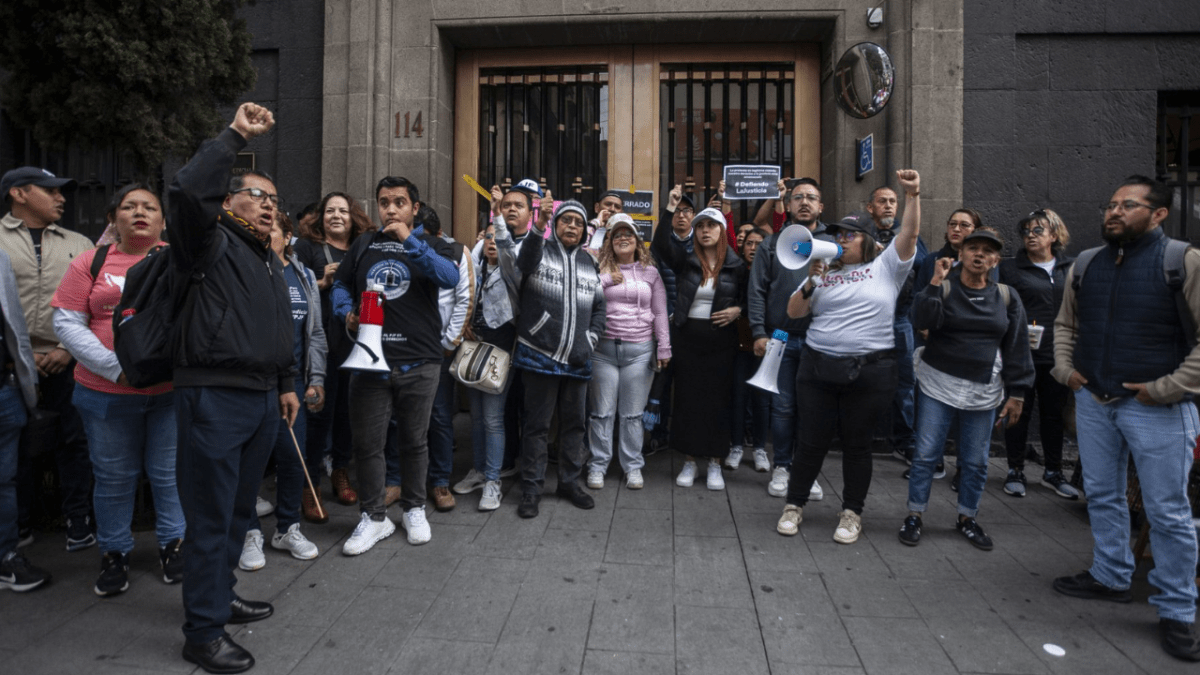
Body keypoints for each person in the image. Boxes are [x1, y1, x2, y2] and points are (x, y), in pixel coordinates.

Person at [169, 102, 299, 673]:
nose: (270, 205)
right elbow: (187, 192)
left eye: (275, 199)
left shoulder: (265, 256)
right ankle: (202, 632)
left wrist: (287, 383)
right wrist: (234, 135)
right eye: (257, 195)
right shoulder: (208, 239)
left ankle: (220, 599)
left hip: (261, 397)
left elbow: (278, 325)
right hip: (214, 396)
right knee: (211, 516)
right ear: (227, 201)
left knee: (239, 511)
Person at [1051, 175, 1200, 662]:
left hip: (1158, 410)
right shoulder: (1089, 263)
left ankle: (1177, 609)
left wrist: (1166, 389)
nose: (1113, 213)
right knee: (1103, 494)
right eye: (1111, 204)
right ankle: (1111, 576)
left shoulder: (1183, 261)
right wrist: (1066, 370)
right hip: (1096, 400)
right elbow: (1066, 323)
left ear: (1157, 214)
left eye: (1128, 206)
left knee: (1168, 512)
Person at [51, 184, 184, 597]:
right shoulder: (90, 263)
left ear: (163, 220)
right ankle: (114, 552)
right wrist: (115, 369)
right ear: (114, 218)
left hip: (169, 393)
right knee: (112, 477)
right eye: (129, 206)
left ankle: (173, 545)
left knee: (168, 474)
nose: (139, 213)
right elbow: (67, 322)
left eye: (150, 207)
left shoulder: (179, 262)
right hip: (105, 393)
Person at [776, 170, 922, 544]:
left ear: (868, 240)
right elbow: (793, 314)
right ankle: (794, 505)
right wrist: (810, 281)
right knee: (810, 441)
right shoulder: (824, 274)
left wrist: (913, 195)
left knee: (857, 445)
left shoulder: (886, 267)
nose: (841, 239)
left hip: (869, 373)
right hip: (818, 368)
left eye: (850, 234)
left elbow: (909, 236)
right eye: (838, 233)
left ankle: (852, 512)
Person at [331, 176, 459, 551]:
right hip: (370, 361)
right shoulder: (364, 243)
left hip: (419, 361)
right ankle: (374, 518)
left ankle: (414, 507)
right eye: (384, 202)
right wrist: (345, 312)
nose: (390, 209)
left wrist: (410, 241)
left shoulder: (435, 244)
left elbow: (448, 276)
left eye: (399, 202)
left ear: (414, 208)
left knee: (414, 442)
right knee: (369, 445)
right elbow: (340, 284)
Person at [899, 229, 1034, 550]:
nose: (979, 255)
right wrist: (934, 281)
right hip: (938, 383)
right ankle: (915, 514)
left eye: (987, 251)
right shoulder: (944, 288)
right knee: (926, 455)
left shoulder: (1006, 296)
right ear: (960, 254)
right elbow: (921, 317)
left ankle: (967, 518)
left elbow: (1017, 346)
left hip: (983, 388)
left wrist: (1018, 393)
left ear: (995, 260)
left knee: (975, 461)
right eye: (972, 248)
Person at [494, 190, 606, 518]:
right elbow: (523, 264)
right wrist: (539, 226)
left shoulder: (589, 261)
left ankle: (569, 481)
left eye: (578, 223)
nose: (571, 226)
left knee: (574, 426)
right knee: (536, 427)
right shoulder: (538, 248)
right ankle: (531, 488)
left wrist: (591, 338)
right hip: (538, 355)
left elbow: (599, 306)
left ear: (585, 230)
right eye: (566, 220)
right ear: (556, 224)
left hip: (578, 358)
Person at [0, 166, 94, 552]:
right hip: (11, 367)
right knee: (16, 447)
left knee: (75, 442)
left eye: (63, 192)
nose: (61, 198)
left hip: (68, 360)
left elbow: (94, 304)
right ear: (19, 194)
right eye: (50, 190)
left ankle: (78, 520)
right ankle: (21, 524)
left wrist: (67, 349)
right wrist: (18, 356)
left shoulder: (79, 242)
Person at [238, 213, 326, 572]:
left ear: (287, 236)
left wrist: (316, 377)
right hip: (253, 386)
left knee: (293, 459)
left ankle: (288, 527)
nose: (262, 233)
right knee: (250, 464)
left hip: (295, 385)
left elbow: (316, 332)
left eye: (271, 229)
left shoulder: (303, 275)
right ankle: (248, 532)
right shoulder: (243, 270)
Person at [652, 187, 743, 491]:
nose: (704, 231)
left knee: (718, 400)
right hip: (687, 338)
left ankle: (715, 462)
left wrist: (737, 310)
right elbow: (661, 246)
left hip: (721, 342)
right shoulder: (686, 260)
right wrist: (669, 208)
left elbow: (752, 298)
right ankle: (690, 460)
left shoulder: (736, 265)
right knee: (689, 399)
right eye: (700, 226)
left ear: (722, 230)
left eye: (711, 226)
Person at [747, 177, 831, 501]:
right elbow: (756, 291)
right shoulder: (772, 243)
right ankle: (782, 466)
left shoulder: (834, 242)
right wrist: (758, 332)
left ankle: (806, 471)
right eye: (798, 197)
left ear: (821, 206)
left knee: (812, 410)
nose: (805, 202)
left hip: (819, 338)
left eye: (812, 197)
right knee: (781, 408)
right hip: (779, 335)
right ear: (790, 204)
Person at [294, 192, 374, 519]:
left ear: (354, 217)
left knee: (347, 415)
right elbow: (292, 289)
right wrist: (323, 281)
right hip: (319, 345)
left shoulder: (363, 248)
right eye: (330, 210)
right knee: (317, 415)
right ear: (320, 216)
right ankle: (309, 484)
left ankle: (340, 471)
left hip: (352, 343)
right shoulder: (305, 248)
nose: (336, 216)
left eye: (343, 210)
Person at [997, 209, 1079, 500]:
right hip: (1021, 354)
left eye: (1038, 231)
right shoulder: (1011, 269)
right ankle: (1015, 469)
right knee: (1018, 411)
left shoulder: (1071, 269)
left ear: (1054, 236)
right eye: (1027, 232)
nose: (1030, 236)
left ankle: (1053, 472)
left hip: (1058, 356)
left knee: (1053, 415)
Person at [586, 214, 670, 490]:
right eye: (618, 235)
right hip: (603, 350)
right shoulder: (598, 267)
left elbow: (659, 312)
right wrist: (608, 279)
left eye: (629, 234)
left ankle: (633, 466)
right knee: (601, 412)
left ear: (637, 241)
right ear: (610, 241)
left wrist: (664, 346)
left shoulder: (651, 272)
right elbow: (586, 295)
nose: (624, 238)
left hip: (640, 351)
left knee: (633, 414)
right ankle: (597, 465)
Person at [454, 222, 518, 510]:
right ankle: (479, 471)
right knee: (477, 417)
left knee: (493, 419)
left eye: (497, 237)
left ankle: (493, 480)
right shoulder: (475, 269)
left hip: (500, 351)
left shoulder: (511, 271)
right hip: (473, 349)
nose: (492, 241)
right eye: (487, 236)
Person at [867, 185, 928, 464]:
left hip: (900, 320)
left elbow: (924, 268)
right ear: (871, 208)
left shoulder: (908, 237)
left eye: (893, 201)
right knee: (863, 380)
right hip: (866, 320)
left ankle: (906, 441)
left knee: (905, 383)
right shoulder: (860, 236)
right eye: (883, 201)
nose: (889, 206)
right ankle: (862, 438)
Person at [0, 247, 48, 592]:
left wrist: (25, 377)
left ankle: (5, 557)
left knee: (5, 479)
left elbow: (12, 319)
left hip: (5, 387)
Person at [422, 206, 474, 513]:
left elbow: (464, 297)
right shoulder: (385, 248)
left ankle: (439, 480)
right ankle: (395, 478)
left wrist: (448, 343)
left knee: (440, 416)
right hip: (400, 349)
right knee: (396, 418)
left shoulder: (455, 252)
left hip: (437, 350)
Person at [730, 228, 770, 473]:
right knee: (738, 396)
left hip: (765, 344)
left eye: (759, 243)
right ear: (742, 247)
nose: (754, 248)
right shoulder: (735, 271)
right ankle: (735, 446)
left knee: (762, 399)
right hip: (737, 342)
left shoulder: (772, 271)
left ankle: (759, 448)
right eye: (749, 243)